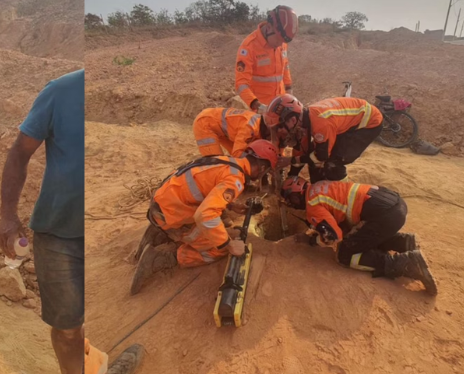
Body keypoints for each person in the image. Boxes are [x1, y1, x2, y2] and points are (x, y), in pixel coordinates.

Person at [0, 69, 85, 374]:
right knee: (68, 328)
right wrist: (7, 216)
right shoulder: (61, 91)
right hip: (59, 233)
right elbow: (19, 152)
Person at [131, 140, 278, 294]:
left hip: (161, 202)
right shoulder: (235, 180)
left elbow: (205, 186)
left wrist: (230, 205)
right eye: (265, 171)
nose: (263, 175)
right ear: (261, 167)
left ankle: (159, 230)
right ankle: (160, 259)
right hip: (170, 213)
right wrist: (228, 244)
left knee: (217, 218)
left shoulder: (229, 162)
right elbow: (205, 215)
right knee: (217, 250)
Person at [281, 177, 436, 294]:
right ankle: (403, 243)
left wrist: (312, 240)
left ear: (296, 196)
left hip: (384, 216)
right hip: (392, 203)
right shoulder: (318, 186)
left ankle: (405, 263)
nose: (291, 204)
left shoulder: (312, 206)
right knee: (360, 235)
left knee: (344, 254)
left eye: (290, 199)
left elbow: (334, 236)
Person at [264, 94, 383, 182]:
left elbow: (321, 156)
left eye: (280, 126)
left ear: (293, 120)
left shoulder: (320, 123)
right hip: (350, 122)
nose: (279, 131)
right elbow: (302, 150)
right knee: (314, 160)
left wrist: (290, 161)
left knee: (332, 163)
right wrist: (291, 176)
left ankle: (342, 194)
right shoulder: (305, 121)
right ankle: (323, 187)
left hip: (368, 123)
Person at [234, 5, 298, 113]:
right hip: (260, 110)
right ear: (269, 27)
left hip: (280, 106)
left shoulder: (281, 43)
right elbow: (241, 84)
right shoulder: (248, 47)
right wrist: (258, 106)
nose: (281, 44)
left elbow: (285, 67)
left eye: (283, 41)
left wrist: (289, 92)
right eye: (278, 40)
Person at [192, 107, 270, 157]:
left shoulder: (260, 124)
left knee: (238, 157)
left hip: (222, 129)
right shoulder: (249, 127)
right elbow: (237, 153)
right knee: (215, 162)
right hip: (205, 123)